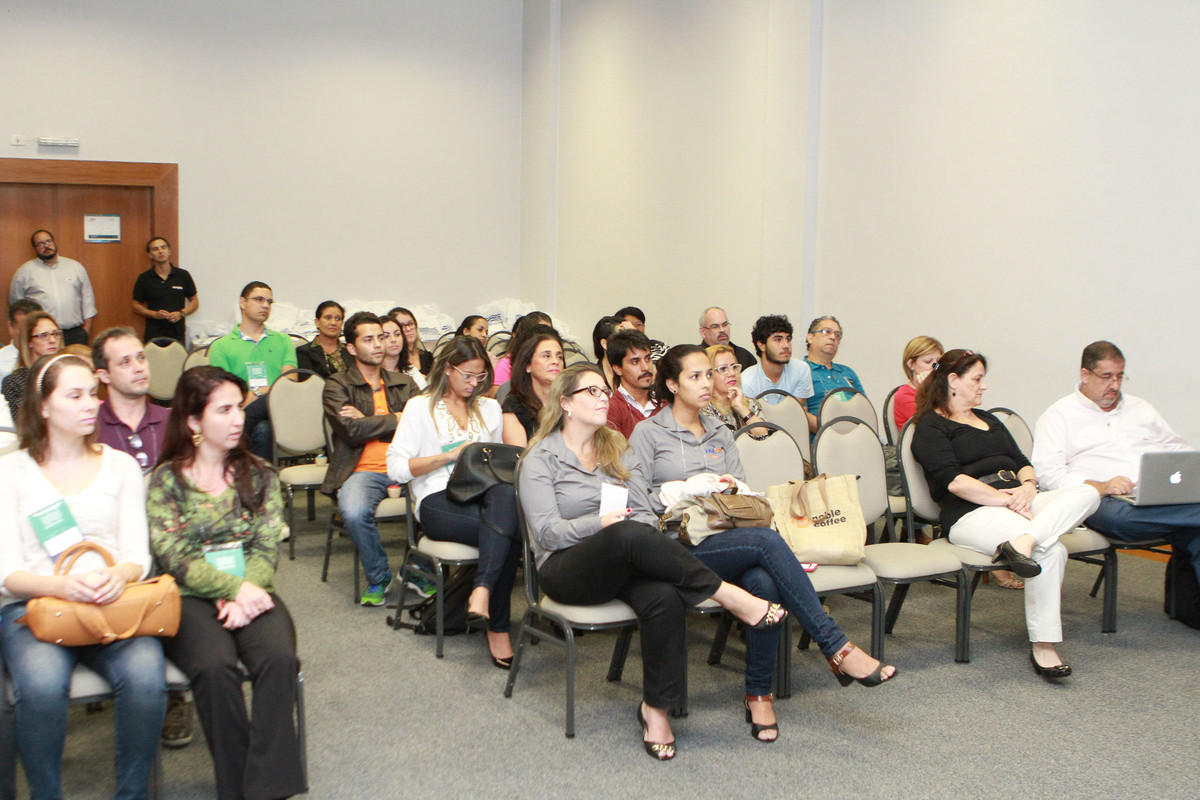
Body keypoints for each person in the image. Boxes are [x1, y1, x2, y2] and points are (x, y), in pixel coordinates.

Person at [520, 364, 798, 759]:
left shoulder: (614, 448)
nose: (604, 398)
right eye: (593, 392)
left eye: (605, 391)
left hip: (624, 558)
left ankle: (656, 709)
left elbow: (641, 510)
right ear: (565, 403)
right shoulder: (541, 458)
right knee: (626, 532)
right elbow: (546, 533)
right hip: (567, 569)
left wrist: (627, 527)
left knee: (663, 595)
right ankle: (730, 596)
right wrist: (600, 524)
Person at [629, 345, 894, 742]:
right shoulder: (648, 433)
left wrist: (727, 489)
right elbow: (637, 505)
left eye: (709, 375)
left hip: (730, 539)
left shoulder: (720, 432)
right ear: (671, 384)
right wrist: (680, 493)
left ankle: (758, 694)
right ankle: (836, 646)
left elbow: (743, 497)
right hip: (677, 547)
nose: (707, 383)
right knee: (767, 543)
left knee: (765, 584)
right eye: (696, 376)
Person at [0, 353, 166, 800]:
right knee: (39, 688)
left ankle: (130, 795)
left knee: (148, 680)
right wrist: (62, 586)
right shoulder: (10, 470)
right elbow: (6, 571)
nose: (91, 404)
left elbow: (137, 555)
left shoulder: (121, 466)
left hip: (113, 602)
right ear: (44, 406)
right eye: (74, 396)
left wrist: (120, 574)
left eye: (92, 393)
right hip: (36, 606)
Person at [148, 366, 306, 800]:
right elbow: (174, 556)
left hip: (252, 589)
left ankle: (267, 788)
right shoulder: (167, 481)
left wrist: (245, 592)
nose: (239, 417)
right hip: (191, 597)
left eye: (239, 406)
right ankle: (236, 789)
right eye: (224, 409)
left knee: (278, 660)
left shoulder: (260, 474)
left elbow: (265, 547)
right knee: (215, 669)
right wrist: (232, 590)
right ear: (194, 422)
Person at [910, 349, 1100, 679]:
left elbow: (1022, 461)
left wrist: (1027, 488)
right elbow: (954, 483)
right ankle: (1044, 645)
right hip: (970, 512)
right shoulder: (930, 426)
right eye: (977, 379)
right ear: (953, 381)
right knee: (1051, 549)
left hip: (1018, 497)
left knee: (1089, 492)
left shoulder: (990, 420)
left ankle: (1024, 541)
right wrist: (1005, 500)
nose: (984, 387)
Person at [386, 336, 520, 669]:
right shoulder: (421, 406)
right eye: (468, 376)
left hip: (481, 496)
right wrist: (448, 456)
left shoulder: (489, 408)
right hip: (436, 498)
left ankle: (482, 589)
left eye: (481, 378)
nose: (475, 384)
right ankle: (498, 626)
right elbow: (396, 467)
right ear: (448, 369)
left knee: (505, 497)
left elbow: (497, 465)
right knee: (509, 532)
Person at [1033, 340, 1200, 589]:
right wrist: (1101, 486)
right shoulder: (1059, 416)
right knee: (1125, 517)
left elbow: (1176, 447)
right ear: (1085, 375)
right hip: (1104, 502)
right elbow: (1048, 474)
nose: (1115, 385)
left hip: (1154, 496)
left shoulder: (1140, 408)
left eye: (1120, 377)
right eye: (1107, 377)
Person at [322, 312, 417, 606]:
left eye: (382, 337)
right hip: (363, 470)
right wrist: (396, 418)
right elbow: (350, 431)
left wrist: (370, 421)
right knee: (352, 511)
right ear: (351, 348)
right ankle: (379, 576)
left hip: (408, 466)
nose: (379, 344)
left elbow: (422, 426)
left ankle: (417, 569)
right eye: (369, 339)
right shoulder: (337, 385)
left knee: (446, 500)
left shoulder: (404, 383)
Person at [207, 281, 298, 461]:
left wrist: (258, 392)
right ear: (242, 303)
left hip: (279, 408)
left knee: (266, 405)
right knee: (263, 429)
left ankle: (222, 452)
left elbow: (289, 381)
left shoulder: (283, 340)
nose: (265, 305)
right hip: (240, 407)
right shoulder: (221, 346)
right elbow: (224, 392)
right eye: (259, 299)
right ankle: (263, 485)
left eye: (269, 302)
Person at [92, 327, 171, 473]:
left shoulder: (171, 421)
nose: (138, 368)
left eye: (141, 358)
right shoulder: (90, 428)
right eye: (125, 362)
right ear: (104, 375)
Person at [8, 230, 96, 346]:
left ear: (54, 242)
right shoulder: (25, 272)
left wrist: (86, 330)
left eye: (48, 241)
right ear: (34, 248)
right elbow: (17, 304)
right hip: (42, 335)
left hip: (74, 334)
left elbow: (88, 300)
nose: (46, 246)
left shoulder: (75, 267)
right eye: (40, 244)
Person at [740, 315, 816, 430]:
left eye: (788, 339)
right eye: (778, 339)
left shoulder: (801, 369)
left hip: (792, 432)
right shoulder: (747, 381)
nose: (786, 346)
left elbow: (793, 413)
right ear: (761, 345)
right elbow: (753, 424)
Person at [501, 326, 563, 446]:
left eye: (559, 356)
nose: (556, 361)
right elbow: (519, 458)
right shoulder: (514, 406)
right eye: (546, 356)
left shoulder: (569, 401)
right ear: (528, 366)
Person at [131, 236, 198, 345]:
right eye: (155, 249)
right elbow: (135, 305)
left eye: (163, 247)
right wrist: (154, 314)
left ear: (169, 251)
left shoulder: (183, 275)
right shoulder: (144, 278)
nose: (160, 251)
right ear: (150, 254)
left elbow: (194, 301)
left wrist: (181, 314)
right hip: (153, 336)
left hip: (177, 335)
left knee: (177, 362)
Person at [803, 315, 864, 432]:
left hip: (856, 436)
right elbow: (800, 414)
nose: (833, 337)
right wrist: (833, 431)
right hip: (822, 439)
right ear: (810, 338)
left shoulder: (847, 372)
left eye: (837, 335)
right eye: (826, 332)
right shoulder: (801, 371)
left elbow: (865, 408)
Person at [2, 311, 62, 423]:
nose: (52, 340)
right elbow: (19, 425)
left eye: (55, 334)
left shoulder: (66, 374)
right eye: (43, 335)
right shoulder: (13, 382)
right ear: (29, 341)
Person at [605, 330, 664, 439]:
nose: (645, 367)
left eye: (648, 359)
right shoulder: (611, 409)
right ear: (618, 369)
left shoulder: (665, 402)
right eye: (635, 362)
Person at [703, 343, 769, 437]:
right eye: (723, 369)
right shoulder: (704, 409)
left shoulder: (751, 404)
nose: (732, 373)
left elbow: (765, 436)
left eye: (734, 367)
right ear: (708, 375)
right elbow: (723, 442)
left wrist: (741, 408)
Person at [892, 336, 943, 431]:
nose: (935, 367)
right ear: (911, 364)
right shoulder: (904, 396)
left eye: (938, 362)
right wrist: (928, 389)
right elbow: (934, 423)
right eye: (928, 362)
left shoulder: (938, 388)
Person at [493, 311, 552, 390]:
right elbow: (498, 397)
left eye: (550, 332)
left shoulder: (553, 363)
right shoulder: (506, 365)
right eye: (541, 332)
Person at [296, 300, 350, 380]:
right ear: (317, 322)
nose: (333, 323)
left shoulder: (351, 351)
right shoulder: (304, 352)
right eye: (328, 318)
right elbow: (307, 385)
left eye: (338, 319)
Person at [698, 306, 756, 371]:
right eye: (715, 326)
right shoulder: (696, 358)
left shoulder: (744, 356)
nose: (722, 330)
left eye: (725, 325)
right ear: (703, 332)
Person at [381, 313, 426, 391]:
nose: (393, 340)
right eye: (386, 336)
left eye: (397, 334)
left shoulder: (412, 373)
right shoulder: (372, 374)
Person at [0, 299, 41, 383]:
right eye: (24, 328)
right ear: (11, 327)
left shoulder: (51, 356)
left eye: (35, 328)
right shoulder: (1, 362)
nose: (31, 333)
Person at [388, 307, 433, 377]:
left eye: (410, 324)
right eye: (402, 326)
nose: (408, 329)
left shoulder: (427, 357)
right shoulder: (393, 361)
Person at [591, 315, 632, 389]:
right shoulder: (593, 377)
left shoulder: (631, 373)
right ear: (605, 344)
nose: (628, 344)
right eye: (621, 339)